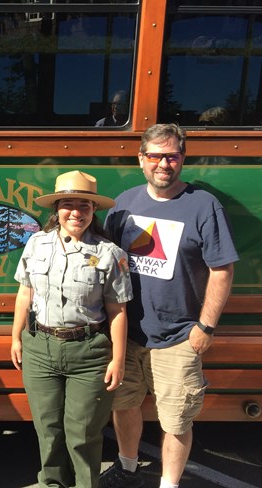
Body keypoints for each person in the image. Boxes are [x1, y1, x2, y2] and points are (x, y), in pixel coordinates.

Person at [101, 124, 239, 488]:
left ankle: (169, 484)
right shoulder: (124, 204)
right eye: (156, 156)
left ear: (182, 159)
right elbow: (104, 264)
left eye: (172, 156)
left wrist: (205, 328)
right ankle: (127, 466)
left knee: (177, 420)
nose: (164, 163)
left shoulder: (203, 205)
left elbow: (222, 269)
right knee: (124, 405)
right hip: (127, 335)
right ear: (141, 159)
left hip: (180, 337)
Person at [11, 170, 133, 488]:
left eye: (84, 205)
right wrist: (16, 337)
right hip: (40, 347)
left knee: (83, 434)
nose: (76, 212)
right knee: (47, 429)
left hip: (89, 352)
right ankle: (51, 483)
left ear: (94, 211)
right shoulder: (37, 244)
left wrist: (117, 360)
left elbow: (117, 310)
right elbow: (25, 292)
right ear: (57, 209)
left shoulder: (109, 254)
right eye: (68, 204)